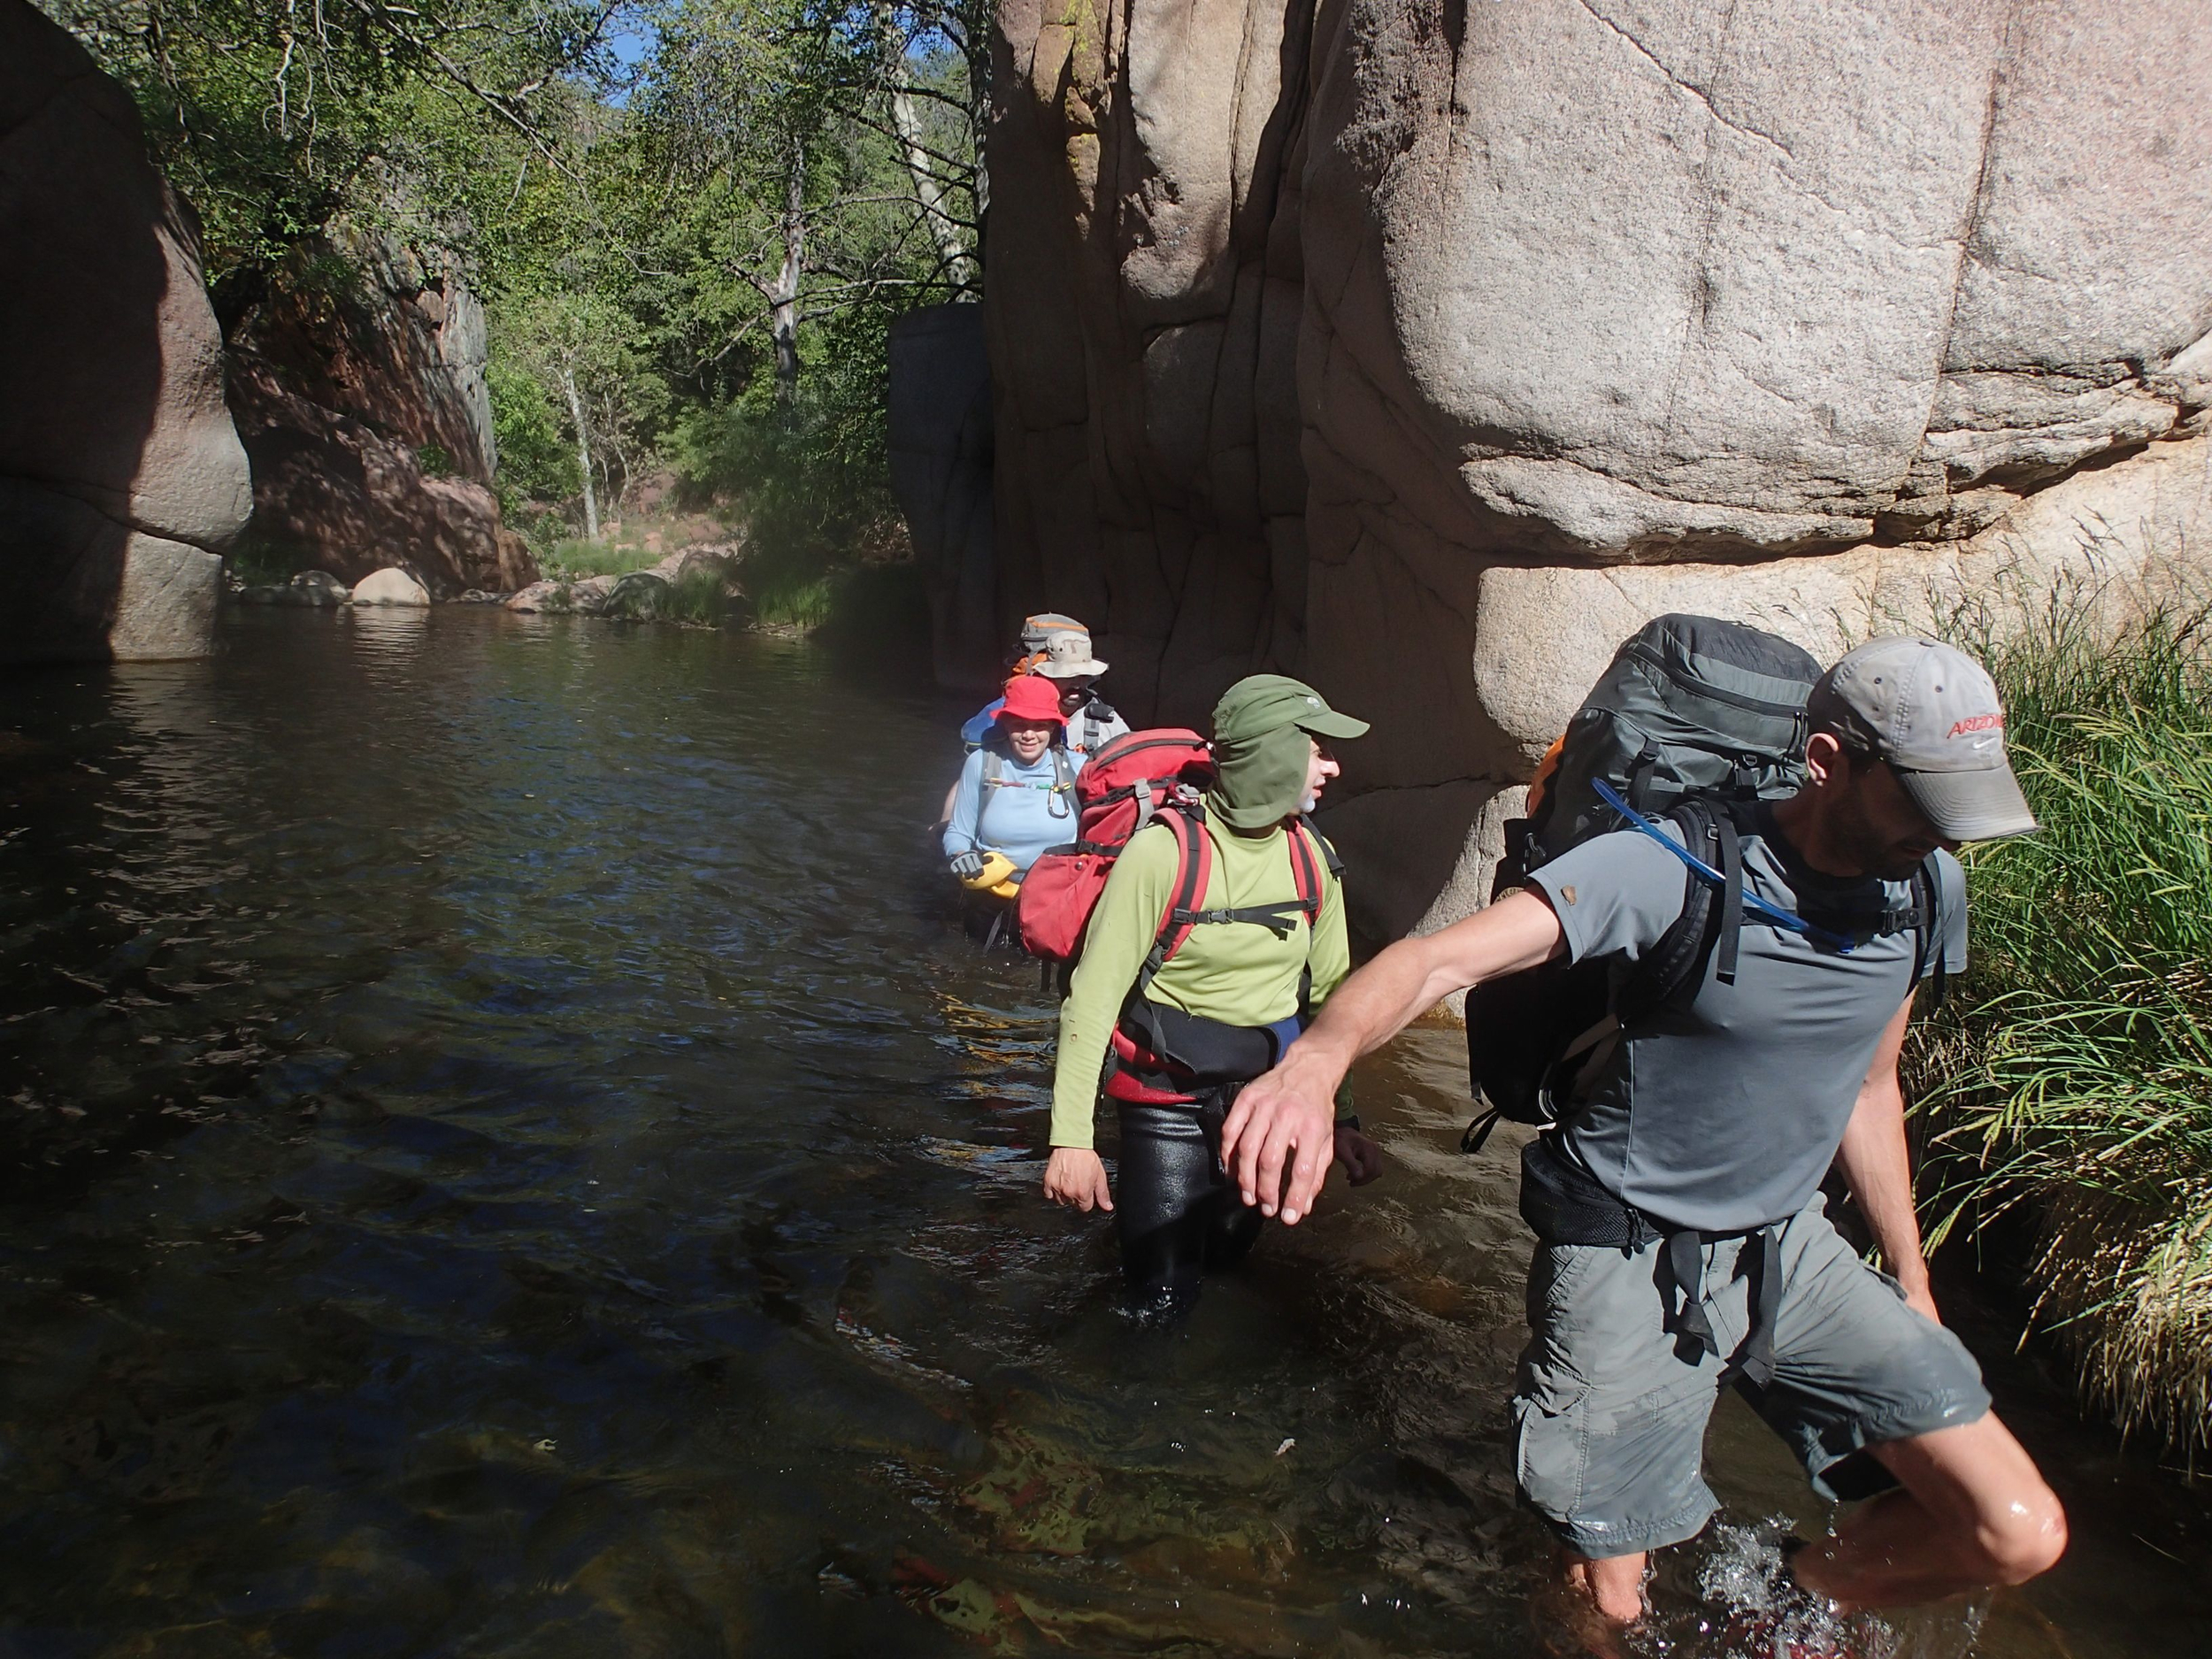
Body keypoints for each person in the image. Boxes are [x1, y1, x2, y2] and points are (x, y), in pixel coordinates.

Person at [1217, 638, 2068, 1647]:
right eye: (1923, 799)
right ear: (1830, 762)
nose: (1944, 834)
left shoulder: (1925, 889)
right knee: (1607, 1605)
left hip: (1790, 1244)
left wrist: (1912, 1281)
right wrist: (1316, 1062)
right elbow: (1434, 963)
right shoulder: (1670, 864)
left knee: (2015, 1532)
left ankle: (1791, 1606)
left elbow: (1869, 1086)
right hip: (1626, 1248)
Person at [1041, 673, 1386, 1312]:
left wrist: (1341, 1118)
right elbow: (1091, 998)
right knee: (1160, 1294)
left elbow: (1334, 1001)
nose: (1333, 766)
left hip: (1263, 1104)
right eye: (1317, 748)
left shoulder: (1314, 857)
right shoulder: (1163, 854)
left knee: (1228, 1268)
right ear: (1269, 754)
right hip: (1164, 1101)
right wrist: (1072, 1141)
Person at [942, 673, 1079, 897]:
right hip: (990, 897)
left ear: (1053, 728)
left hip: (1056, 898)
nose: (1028, 735)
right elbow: (958, 831)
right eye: (1019, 724)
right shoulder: (981, 763)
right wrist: (960, 855)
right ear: (1005, 724)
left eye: (1039, 726)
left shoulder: (1077, 768)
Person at [1032, 630, 1131, 764]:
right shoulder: (1027, 718)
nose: (1077, 684)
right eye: (1067, 677)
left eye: (1083, 676)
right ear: (1048, 677)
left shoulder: (1106, 722)